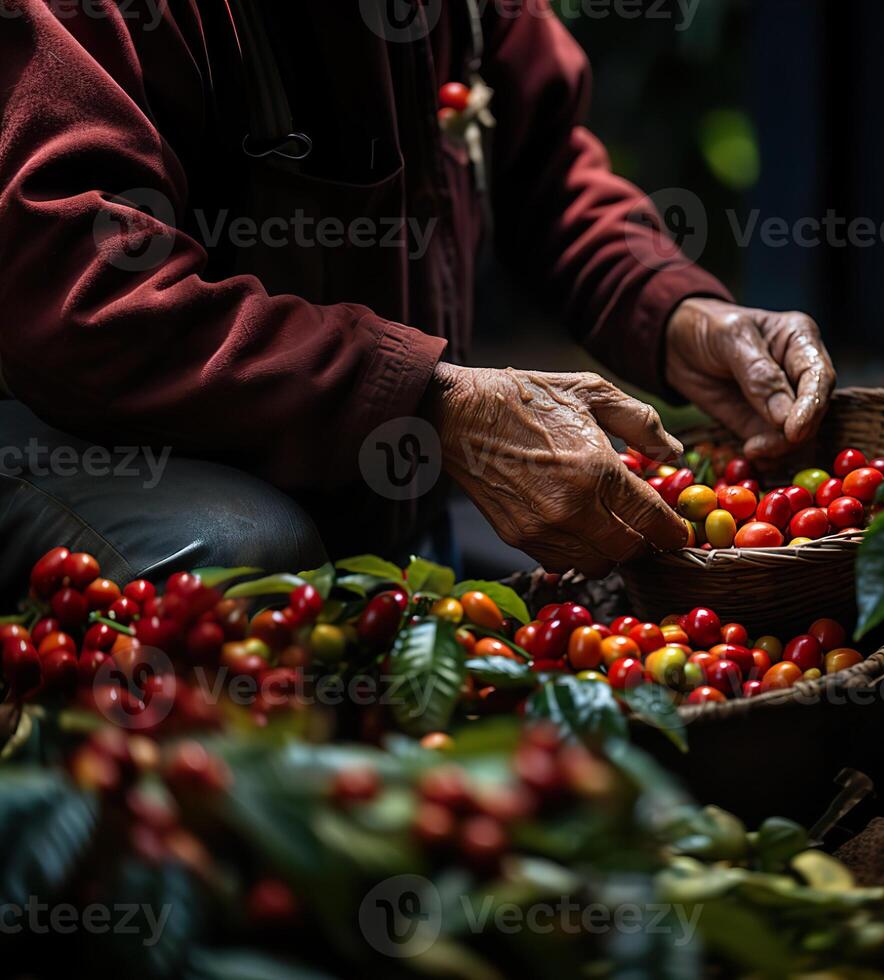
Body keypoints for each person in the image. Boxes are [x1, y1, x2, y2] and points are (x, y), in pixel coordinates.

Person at [0, 0, 834, 588]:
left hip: (365, 466)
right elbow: (82, 299)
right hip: (64, 425)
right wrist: (428, 401)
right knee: (248, 554)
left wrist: (674, 307)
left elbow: (543, 171)